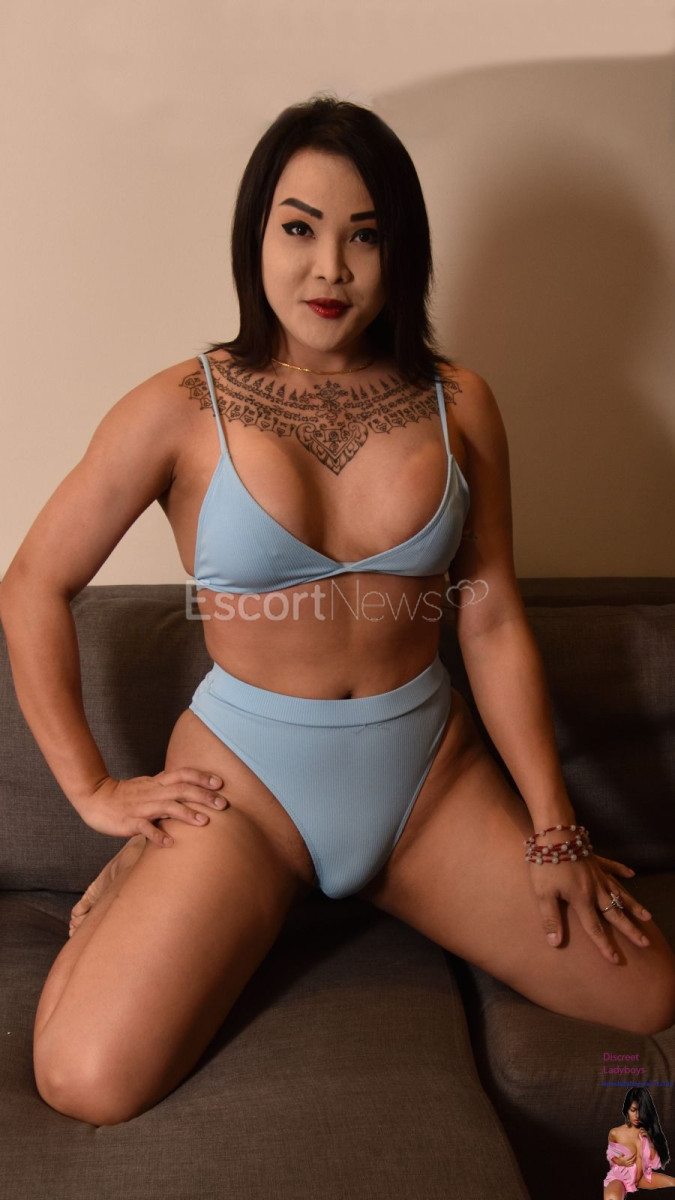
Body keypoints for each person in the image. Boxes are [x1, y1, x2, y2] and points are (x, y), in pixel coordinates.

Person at [1, 95, 674, 1128]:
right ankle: (170, 878)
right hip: (245, 793)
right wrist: (94, 792)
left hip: (428, 785)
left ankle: (364, 884)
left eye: (365, 235)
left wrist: (553, 827)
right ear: (254, 236)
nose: (330, 269)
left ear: (403, 250)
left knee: (643, 992)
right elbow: (32, 585)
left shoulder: (460, 402)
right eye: (299, 228)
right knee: (86, 1081)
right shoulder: (178, 408)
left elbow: (489, 616)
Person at [603, 1087, 674, 1194]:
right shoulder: (615, 1133)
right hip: (620, 1178)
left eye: (641, 1111)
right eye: (633, 1110)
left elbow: (655, 1164)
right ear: (627, 1109)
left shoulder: (647, 1133)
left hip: (643, 1178)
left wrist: (650, 1141)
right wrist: (619, 1161)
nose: (637, 1116)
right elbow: (611, 1155)